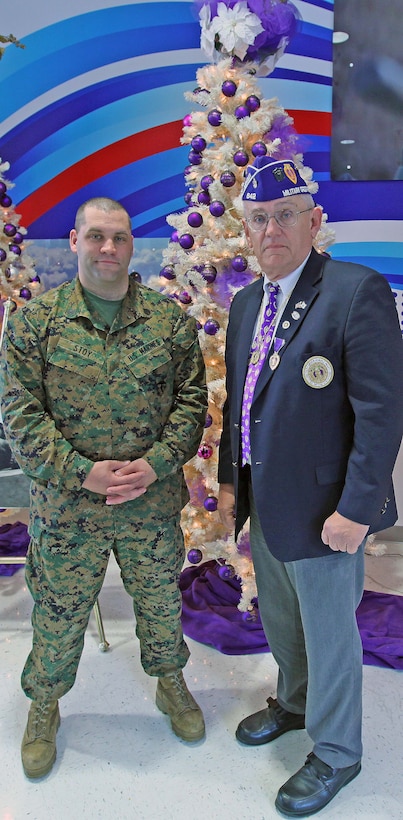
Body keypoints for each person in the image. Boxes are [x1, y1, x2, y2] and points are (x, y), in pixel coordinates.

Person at [218, 156, 403, 817]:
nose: (271, 230)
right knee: (282, 621)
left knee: (329, 633)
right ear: (248, 230)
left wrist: (355, 511)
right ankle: (294, 704)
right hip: (267, 503)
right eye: (260, 218)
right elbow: (241, 405)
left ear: (313, 222)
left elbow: (382, 413)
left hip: (329, 511)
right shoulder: (244, 303)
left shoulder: (354, 290)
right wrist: (231, 489)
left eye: (285, 215)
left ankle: (335, 753)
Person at [0, 197, 208, 779]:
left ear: (131, 244)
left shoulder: (170, 323)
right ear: (74, 242)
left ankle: (170, 682)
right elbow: (19, 413)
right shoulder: (35, 324)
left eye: (118, 237)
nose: (108, 249)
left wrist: (158, 463)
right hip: (69, 508)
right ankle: (45, 704)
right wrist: (81, 471)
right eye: (95, 237)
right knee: (58, 613)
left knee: (162, 604)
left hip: (151, 503)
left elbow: (192, 404)